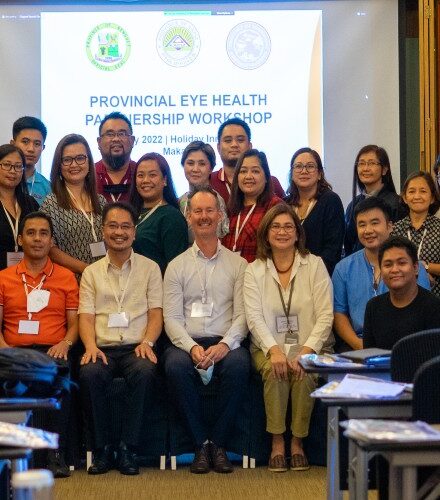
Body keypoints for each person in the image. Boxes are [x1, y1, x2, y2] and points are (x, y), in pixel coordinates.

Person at [163, 186, 250, 474]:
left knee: (239, 365)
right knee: (174, 366)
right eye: (197, 211)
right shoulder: (176, 266)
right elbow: (171, 317)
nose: (204, 216)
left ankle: (219, 443)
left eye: (209, 210)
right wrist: (191, 347)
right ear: (188, 217)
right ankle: (201, 443)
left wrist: (226, 345)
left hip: (226, 340)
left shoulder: (239, 264)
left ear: (220, 215)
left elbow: (243, 315)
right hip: (187, 341)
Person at [244, 204, 333, 472]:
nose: (282, 232)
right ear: (266, 233)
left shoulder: (314, 265)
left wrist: (306, 351)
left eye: (288, 227)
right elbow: (254, 318)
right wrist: (274, 350)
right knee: (276, 372)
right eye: (276, 227)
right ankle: (277, 442)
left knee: (304, 373)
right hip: (267, 345)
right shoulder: (254, 270)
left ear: (297, 233)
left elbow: (326, 315)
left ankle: (297, 442)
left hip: (311, 344)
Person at [78, 202, 163, 476]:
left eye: (126, 226)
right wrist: (90, 346)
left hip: (137, 346)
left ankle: (128, 448)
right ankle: (102, 449)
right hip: (101, 346)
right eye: (113, 226)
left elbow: (156, 314)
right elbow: (86, 316)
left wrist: (147, 343)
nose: (119, 232)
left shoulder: (150, 268)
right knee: (89, 374)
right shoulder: (91, 273)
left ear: (134, 232)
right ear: (103, 231)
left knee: (146, 372)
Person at [0, 211, 79, 477]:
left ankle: (55, 453)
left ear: (51, 241)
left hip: (52, 349)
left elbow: (75, 323)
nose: (37, 239)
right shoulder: (4, 277)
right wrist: (4, 348)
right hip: (13, 350)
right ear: (20, 239)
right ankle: (13, 453)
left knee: (61, 370)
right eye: (31, 233)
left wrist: (66, 343)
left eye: (43, 233)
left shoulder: (66, 277)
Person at [333, 197, 430, 351]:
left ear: (390, 226)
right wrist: (362, 347)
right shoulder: (343, 268)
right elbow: (339, 314)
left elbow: (423, 308)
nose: (368, 230)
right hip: (358, 346)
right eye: (362, 225)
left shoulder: (410, 266)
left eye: (375, 223)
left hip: (406, 346)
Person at [41, 134, 106, 276]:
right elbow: (49, 249)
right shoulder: (50, 204)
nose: (74, 164)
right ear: (59, 166)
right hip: (69, 282)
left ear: (89, 162)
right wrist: (87, 270)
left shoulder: (101, 202)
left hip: (104, 279)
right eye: (67, 160)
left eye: (80, 158)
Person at [363, 236, 440, 350]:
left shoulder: (434, 306)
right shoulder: (373, 307)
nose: (394, 270)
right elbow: (368, 355)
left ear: (415, 268)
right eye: (388, 265)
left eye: (402, 263)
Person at [285, 147, 344, 275]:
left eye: (310, 166)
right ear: (292, 174)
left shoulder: (331, 201)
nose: (304, 171)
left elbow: (332, 249)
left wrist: (311, 275)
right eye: (298, 166)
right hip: (287, 274)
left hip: (319, 275)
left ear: (319, 174)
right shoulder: (285, 204)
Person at [130, 152, 188, 274]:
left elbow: (176, 269)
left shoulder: (172, 217)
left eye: (152, 175)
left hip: (157, 284)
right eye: (140, 175)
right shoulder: (130, 213)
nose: (145, 180)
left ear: (165, 180)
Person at [222, 149, 283, 262]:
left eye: (255, 171)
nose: (248, 176)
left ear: (266, 177)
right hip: (231, 271)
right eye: (243, 171)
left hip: (261, 272)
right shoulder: (232, 208)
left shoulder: (275, 207)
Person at [210, 118, 285, 203]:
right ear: (218, 147)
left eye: (240, 140)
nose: (234, 145)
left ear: (250, 146)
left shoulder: (271, 183)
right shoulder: (209, 182)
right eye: (228, 140)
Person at [344, 145, 400, 256]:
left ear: (384, 170)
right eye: (361, 163)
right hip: (357, 263)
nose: (365, 168)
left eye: (371, 163)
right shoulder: (353, 205)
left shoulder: (396, 204)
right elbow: (349, 244)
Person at [391, 171, 440, 296]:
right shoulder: (395, 230)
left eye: (423, 191)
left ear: (432, 198)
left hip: (435, 298)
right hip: (401, 297)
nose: (417, 196)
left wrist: (426, 266)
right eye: (412, 191)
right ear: (404, 198)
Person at [179, 141, 229, 243]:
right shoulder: (180, 200)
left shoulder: (216, 200)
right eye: (190, 163)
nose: (195, 169)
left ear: (211, 168)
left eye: (202, 164)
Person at [0, 144, 39, 270]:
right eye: (7, 165)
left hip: (28, 274)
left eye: (18, 166)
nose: (13, 171)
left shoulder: (31, 203)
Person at [95, 112, 136, 203]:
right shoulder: (88, 175)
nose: (116, 139)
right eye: (110, 134)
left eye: (122, 134)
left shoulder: (141, 174)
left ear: (132, 141)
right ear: (99, 142)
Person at [11, 116, 51, 205]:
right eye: (25, 142)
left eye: (37, 144)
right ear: (13, 144)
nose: (31, 149)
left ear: (43, 148)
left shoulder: (48, 188)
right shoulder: (3, 179)